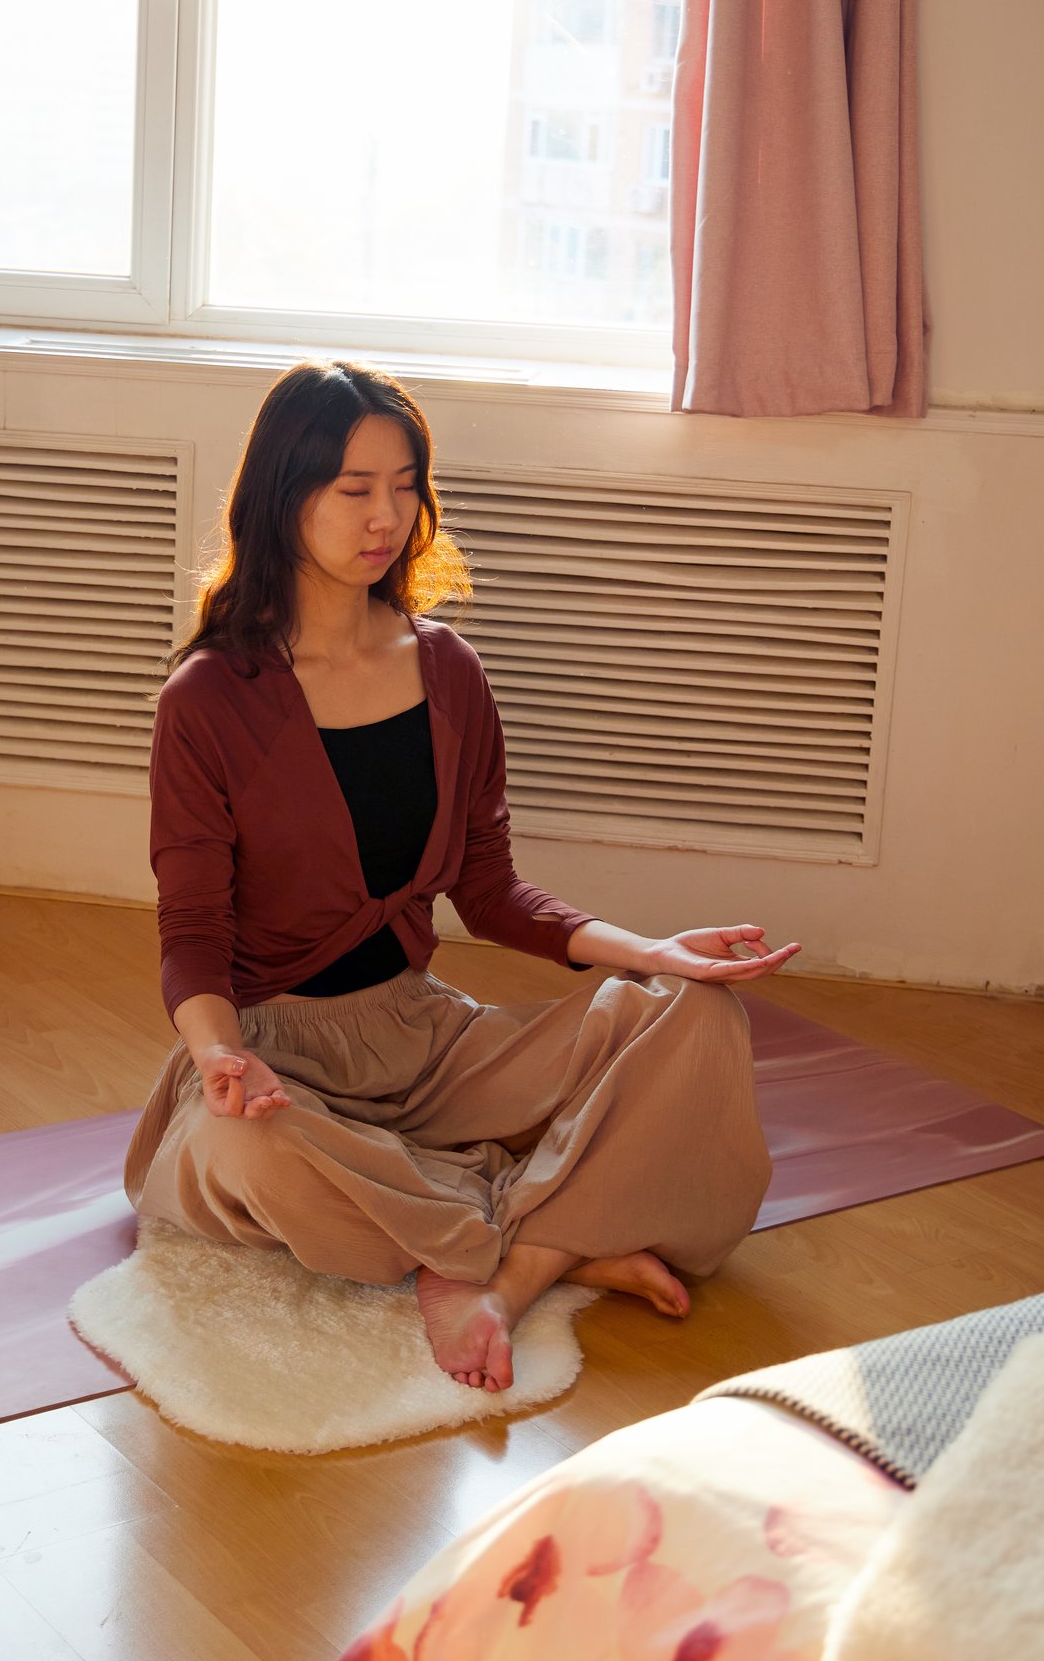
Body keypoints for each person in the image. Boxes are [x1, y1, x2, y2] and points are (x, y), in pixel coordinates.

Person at [124, 362, 796, 1394]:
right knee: (242, 1158)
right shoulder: (208, 699)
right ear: (282, 494)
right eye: (353, 489)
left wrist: (650, 953)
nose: (385, 515)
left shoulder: (446, 671)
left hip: (422, 1038)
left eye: (404, 484)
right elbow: (191, 937)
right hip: (276, 1066)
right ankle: (555, 1231)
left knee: (695, 1018)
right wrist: (220, 1061)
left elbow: (491, 893)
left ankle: (501, 1268)